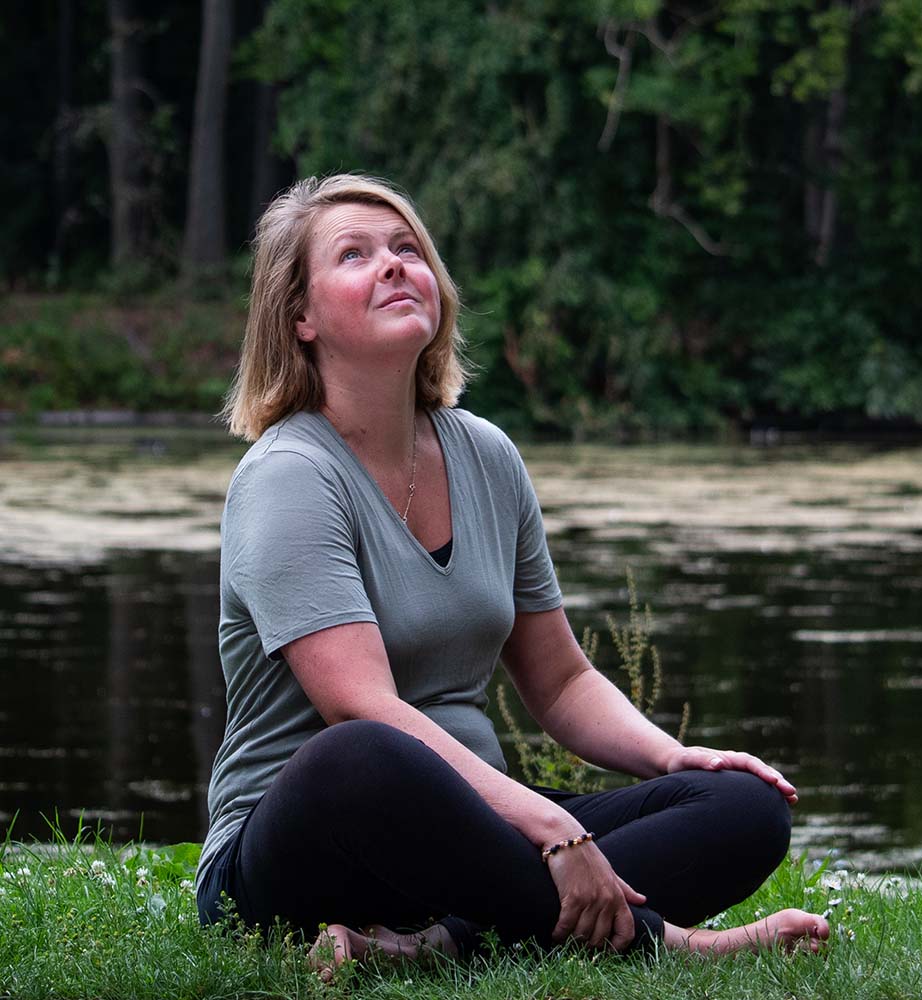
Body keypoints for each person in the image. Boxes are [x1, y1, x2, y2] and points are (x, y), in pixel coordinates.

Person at [195, 173, 829, 974]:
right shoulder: (288, 475)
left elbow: (561, 682)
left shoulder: (485, 455)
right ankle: (667, 943)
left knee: (746, 808)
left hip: (476, 839)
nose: (393, 265)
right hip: (304, 849)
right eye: (355, 255)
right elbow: (364, 706)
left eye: (406, 249)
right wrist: (553, 830)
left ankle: (436, 946)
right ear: (301, 318)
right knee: (356, 753)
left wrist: (673, 757)